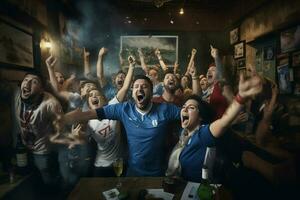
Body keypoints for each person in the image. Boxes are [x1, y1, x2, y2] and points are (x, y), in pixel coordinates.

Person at [59, 75, 181, 176]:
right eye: (136, 87)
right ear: (132, 93)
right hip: (133, 172)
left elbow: (187, 115)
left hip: (158, 173)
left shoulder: (165, 109)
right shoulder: (124, 109)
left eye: (144, 87)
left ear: (151, 91)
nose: (140, 89)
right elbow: (90, 113)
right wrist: (62, 119)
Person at [165, 72, 263, 182]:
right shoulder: (183, 134)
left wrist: (241, 97)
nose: (185, 109)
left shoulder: (203, 134)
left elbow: (224, 122)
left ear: (200, 117)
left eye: (191, 107)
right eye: (184, 107)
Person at [86, 56, 135, 176]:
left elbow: (125, 88)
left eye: (97, 95)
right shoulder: (86, 120)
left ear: (104, 99)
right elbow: (82, 138)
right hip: (100, 166)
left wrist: (132, 66)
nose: (94, 97)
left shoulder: (112, 107)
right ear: (88, 103)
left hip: (119, 164)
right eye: (91, 95)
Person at [13, 72, 63, 187]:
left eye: (34, 81)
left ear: (41, 90)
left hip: (42, 152)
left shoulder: (51, 104)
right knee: (27, 182)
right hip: (21, 149)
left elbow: (61, 130)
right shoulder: (16, 94)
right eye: (26, 80)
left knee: (47, 183)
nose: (28, 83)